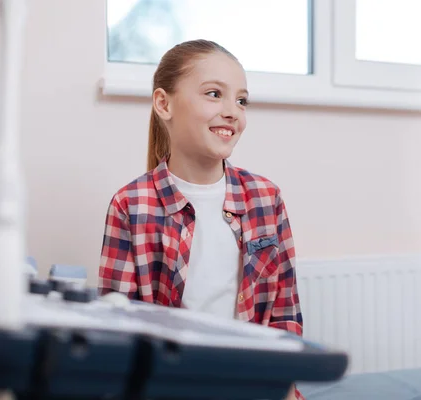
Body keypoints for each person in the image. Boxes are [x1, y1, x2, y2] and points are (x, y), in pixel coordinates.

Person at [98, 39, 303, 400]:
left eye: (241, 100)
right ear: (164, 103)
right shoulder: (131, 205)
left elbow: (284, 312)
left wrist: (284, 385)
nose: (232, 111)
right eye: (214, 94)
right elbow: (118, 333)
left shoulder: (266, 198)